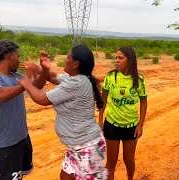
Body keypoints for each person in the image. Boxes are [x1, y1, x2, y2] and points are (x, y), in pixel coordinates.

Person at [17, 44, 108, 180]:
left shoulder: (76, 84)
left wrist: (26, 82)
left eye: (67, 58)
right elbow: (53, 77)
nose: (65, 61)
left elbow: (42, 99)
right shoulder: (77, 79)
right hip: (76, 146)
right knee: (65, 176)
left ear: (76, 63)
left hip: (86, 147)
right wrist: (44, 68)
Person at [0, 40, 49, 180]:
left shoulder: (16, 77)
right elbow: (1, 96)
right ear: (9, 56)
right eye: (18, 56)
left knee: (20, 175)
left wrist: (44, 70)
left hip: (22, 137)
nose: (19, 60)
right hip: (6, 143)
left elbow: (37, 86)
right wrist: (29, 78)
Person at [99, 47, 148, 180]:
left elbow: (143, 102)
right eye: (116, 58)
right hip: (112, 125)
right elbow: (103, 99)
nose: (117, 61)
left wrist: (140, 125)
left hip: (131, 126)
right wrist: (100, 120)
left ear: (130, 61)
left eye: (121, 58)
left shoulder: (139, 80)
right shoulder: (110, 77)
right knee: (111, 163)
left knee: (129, 161)